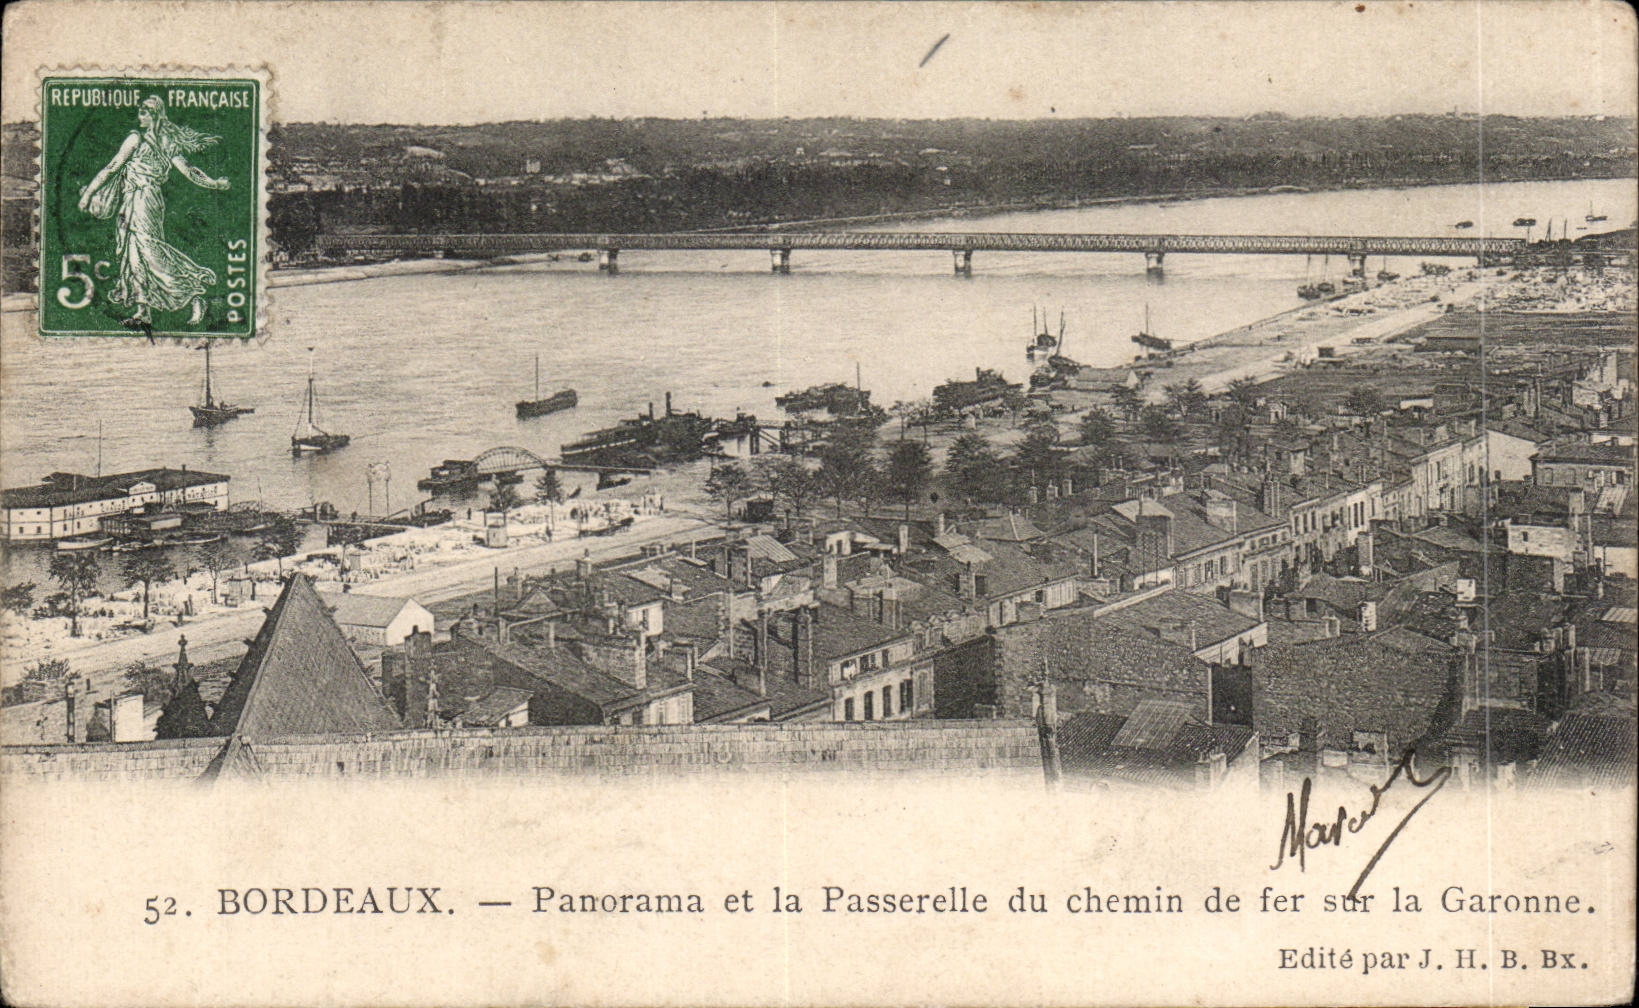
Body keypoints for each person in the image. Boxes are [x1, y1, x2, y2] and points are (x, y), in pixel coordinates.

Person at [77, 96, 230, 327]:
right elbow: (114, 167)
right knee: (133, 255)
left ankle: (193, 295)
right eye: (140, 112)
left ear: (156, 115)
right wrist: (215, 183)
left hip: (145, 200)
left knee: (149, 251)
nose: (140, 117)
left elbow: (188, 171)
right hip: (133, 201)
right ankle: (143, 311)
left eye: (145, 113)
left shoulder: (144, 140)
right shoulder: (151, 140)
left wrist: (214, 183)